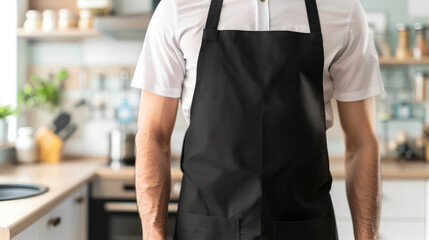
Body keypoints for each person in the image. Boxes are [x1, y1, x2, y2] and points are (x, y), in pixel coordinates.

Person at [131, 0, 384, 239]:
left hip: (304, 227)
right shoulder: (177, 8)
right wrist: (153, 234)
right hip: (207, 228)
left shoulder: (343, 9)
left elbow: (362, 143)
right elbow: (153, 135)